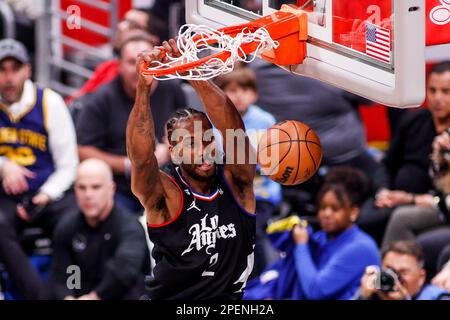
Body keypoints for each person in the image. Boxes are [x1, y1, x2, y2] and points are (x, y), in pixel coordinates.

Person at [127, 39, 256, 299]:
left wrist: (193, 70)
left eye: (208, 140)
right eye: (191, 144)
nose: (204, 150)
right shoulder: (165, 195)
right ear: (173, 153)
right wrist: (143, 89)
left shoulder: (236, 179)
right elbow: (141, 160)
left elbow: (234, 131)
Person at [0, 39, 78, 299]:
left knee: (75, 221)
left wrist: (45, 195)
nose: (9, 77)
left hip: (48, 193)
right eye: (2, 70)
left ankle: (71, 291)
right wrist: (4, 165)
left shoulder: (49, 102)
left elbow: (68, 165)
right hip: (6, 196)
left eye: (15, 69)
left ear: (28, 70)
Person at [75, 34, 186, 214]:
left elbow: (189, 128)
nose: (140, 68)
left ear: (159, 62)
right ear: (118, 66)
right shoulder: (101, 98)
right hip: (120, 188)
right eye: (131, 62)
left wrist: (170, 147)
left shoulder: (172, 89)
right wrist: (129, 164)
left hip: (166, 180)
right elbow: (82, 150)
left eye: (148, 60)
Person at [244, 167, 379, 300]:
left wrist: (301, 245)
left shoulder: (361, 247)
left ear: (354, 212)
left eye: (335, 209)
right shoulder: (321, 237)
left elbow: (315, 291)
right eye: (322, 207)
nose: (326, 214)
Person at [358, 61, 450, 244]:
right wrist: (383, 191)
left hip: (431, 203)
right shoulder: (414, 120)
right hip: (393, 195)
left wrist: (408, 199)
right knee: (361, 217)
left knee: (399, 218)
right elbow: (386, 163)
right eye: (432, 91)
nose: (437, 98)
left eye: (446, 92)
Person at [45, 159, 149, 300]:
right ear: (75, 190)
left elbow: (124, 271)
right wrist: (68, 297)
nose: (88, 195)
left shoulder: (129, 227)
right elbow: (63, 274)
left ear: (111, 189)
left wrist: (95, 297)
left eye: (95, 187)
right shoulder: (67, 227)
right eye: (82, 187)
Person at [215, 67, 282, 276]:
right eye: (232, 90)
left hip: (261, 193)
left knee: (248, 229)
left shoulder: (266, 121)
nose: (239, 96)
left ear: (254, 94)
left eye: (245, 90)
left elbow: (272, 165)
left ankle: (260, 279)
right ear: (221, 94)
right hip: (226, 193)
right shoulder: (213, 122)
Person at [356, 241, 450, 300]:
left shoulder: (439, 297)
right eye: (389, 270)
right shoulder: (373, 293)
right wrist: (362, 296)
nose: (394, 277)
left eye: (403, 272)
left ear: (421, 277)